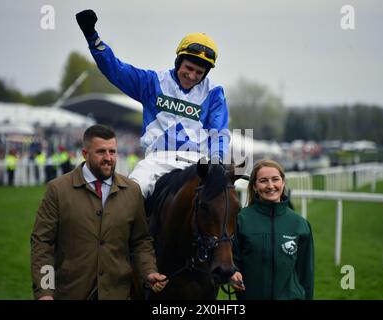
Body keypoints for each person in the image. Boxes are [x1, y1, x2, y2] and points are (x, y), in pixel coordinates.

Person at [76, 9, 230, 198]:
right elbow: (115, 70)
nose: (192, 76)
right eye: (188, 68)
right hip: (156, 160)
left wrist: (217, 160)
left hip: (196, 162)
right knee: (126, 199)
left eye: (199, 73)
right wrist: (92, 37)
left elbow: (219, 132)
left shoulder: (214, 93)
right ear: (178, 61)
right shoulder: (152, 82)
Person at [30, 124, 167, 300]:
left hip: (117, 294)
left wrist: (149, 271)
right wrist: (45, 291)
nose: (108, 158)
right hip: (70, 293)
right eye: (101, 152)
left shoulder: (132, 191)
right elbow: (42, 243)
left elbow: (140, 241)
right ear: (85, 154)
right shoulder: (58, 190)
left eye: (112, 151)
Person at [230, 159, 314, 300]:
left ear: (283, 182)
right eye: (263, 181)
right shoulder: (240, 220)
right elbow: (232, 260)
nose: (270, 186)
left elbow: (306, 275)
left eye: (275, 179)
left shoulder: (300, 224)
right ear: (254, 187)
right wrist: (232, 273)